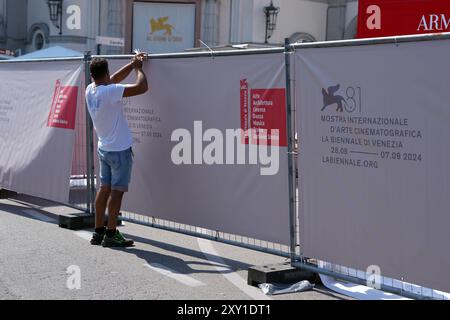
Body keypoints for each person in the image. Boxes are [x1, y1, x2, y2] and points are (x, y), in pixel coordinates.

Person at [85, 53, 148, 247]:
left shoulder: (91, 89)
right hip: (120, 150)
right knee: (117, 192)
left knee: (104, 189)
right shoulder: (109, 92)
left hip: (105, 148)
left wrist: (131, 64)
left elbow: (113, 80)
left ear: (92, 75)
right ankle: (111, 234)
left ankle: (98, 232)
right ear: (106, 72)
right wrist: (139, 69)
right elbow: (142, 87)